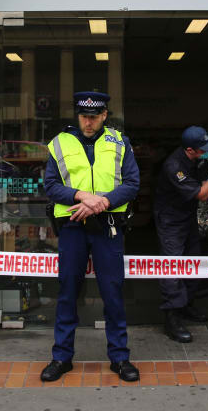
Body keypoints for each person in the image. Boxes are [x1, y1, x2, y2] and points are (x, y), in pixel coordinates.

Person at [40, 91, 141, 383]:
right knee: (68, 291)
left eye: (94, 117)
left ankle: (120, 358)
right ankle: (61, 357)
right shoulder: (60, 143)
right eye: (84, 116)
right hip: (72, 227)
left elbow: (132, 183)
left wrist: (102, 202)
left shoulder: (119, 142)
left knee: (112, 292)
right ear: (78, 115)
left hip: (108, 225)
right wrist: (84, 196)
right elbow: (51, 185)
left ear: (104, 115)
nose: (88, 122)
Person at [153, 126, 208, 343]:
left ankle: (186, 305)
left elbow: (203, 177)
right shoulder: (174, 167)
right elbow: (203, 193)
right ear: (190, 149)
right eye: (203, 150)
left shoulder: (194, 159)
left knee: (193, 262)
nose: (207, 152)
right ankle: (171, 317)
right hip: (170, 222)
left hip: (186, 218)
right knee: (172, 268)